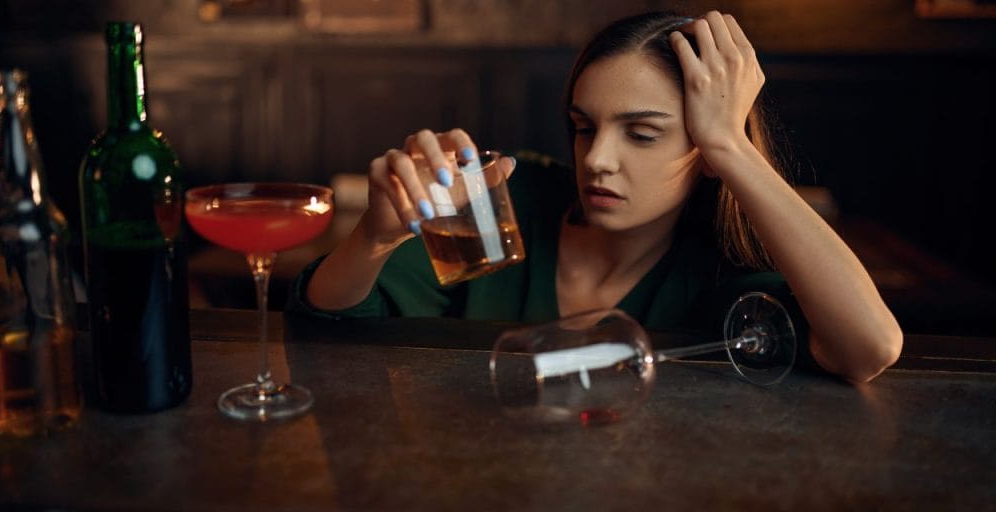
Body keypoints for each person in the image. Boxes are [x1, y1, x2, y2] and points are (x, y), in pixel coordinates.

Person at [288, 10, 902, 382]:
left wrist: (732, 147)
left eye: (641, 133)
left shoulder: (714, 270)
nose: (598, 158)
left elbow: (869, 349)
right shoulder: (511, 199)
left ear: (706, 154)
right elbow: (330, 320)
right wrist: (374, 238)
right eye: (585, 127)